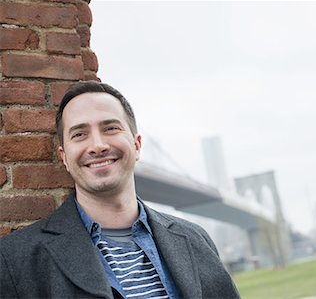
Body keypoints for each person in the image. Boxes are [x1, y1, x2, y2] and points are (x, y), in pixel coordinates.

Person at [0, 81, 240, 299]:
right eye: (80, 134)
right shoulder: (13, 260)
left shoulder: (196, 239)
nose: (98, 145)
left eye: (111, 128)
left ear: (137, 145)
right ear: (64, 157)